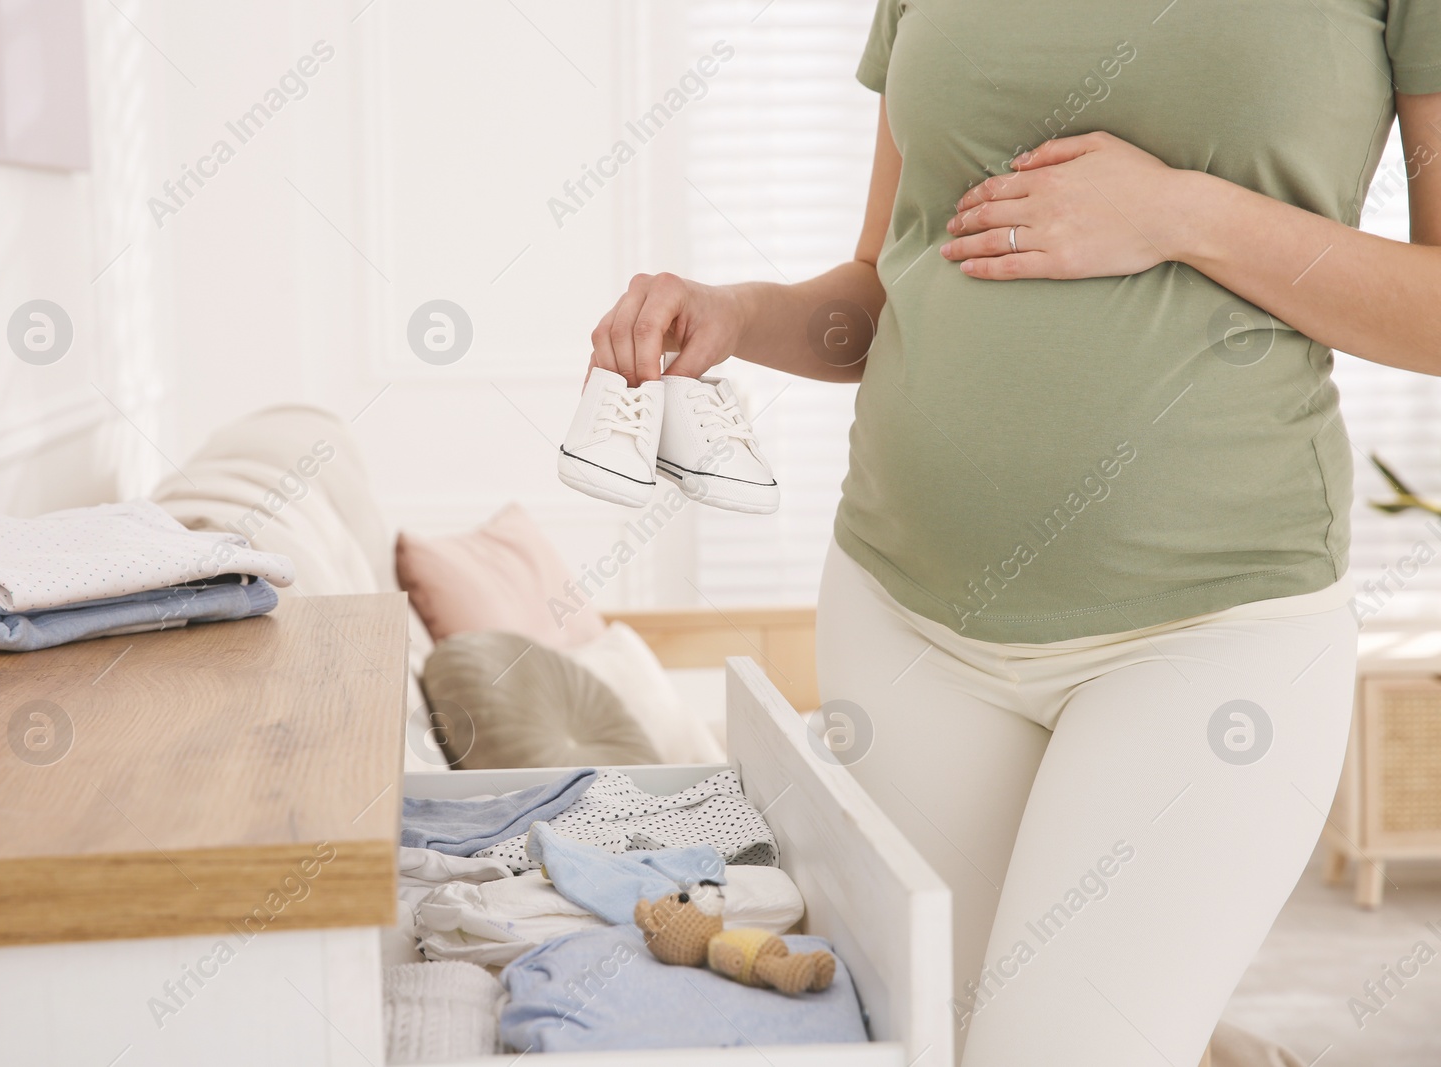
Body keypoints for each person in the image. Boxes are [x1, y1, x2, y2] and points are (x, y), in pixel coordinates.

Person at [583, 4, 1441, 1065]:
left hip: (1208, 629)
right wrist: (737, 312)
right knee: (942, 1041)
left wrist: (1182, 213)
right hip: (904, 616)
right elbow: (887, 278)